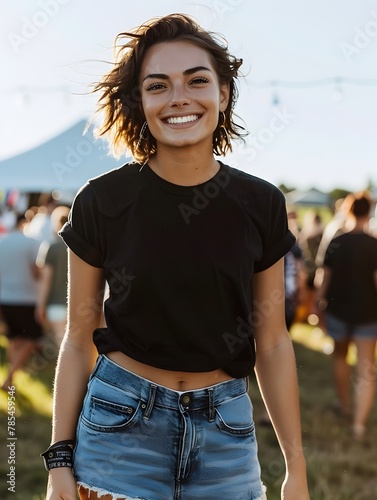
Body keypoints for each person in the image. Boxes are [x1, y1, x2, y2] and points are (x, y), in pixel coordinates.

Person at [44, 14, 309, 500]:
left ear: (223, 94)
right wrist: (58, 459)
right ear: (140, 102)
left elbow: (272, 340)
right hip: (119, 424)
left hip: (226, 433)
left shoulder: (261, 204)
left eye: (197, 80)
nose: (179, 98)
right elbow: (78, 339)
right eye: (158, 85)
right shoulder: (102, 201)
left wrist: (296, 469)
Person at [316, 192, 377, 439]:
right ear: (368, 212)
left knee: (340, 357)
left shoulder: (336, 241)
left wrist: (317, 306)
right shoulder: (374, 244)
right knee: (365, 367)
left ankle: (344, 405)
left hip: (338, 311)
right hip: (368, 314)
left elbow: (324, 278)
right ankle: (358, 425)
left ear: (348, 210)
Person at [0, 214, 43, 390]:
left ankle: (11, 377)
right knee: (32, 338)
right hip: (26, 298)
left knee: (14, 339)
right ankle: (9, 378)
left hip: (5, 297)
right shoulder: (31, 242)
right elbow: (36, 271)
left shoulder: (2, 242)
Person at [36, 206, 70, 346]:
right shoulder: (81, 247)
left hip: (56, 304)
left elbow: (46, 280)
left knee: (62, 345)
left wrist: (40, 305)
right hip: (79, 304)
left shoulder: (52, 247)